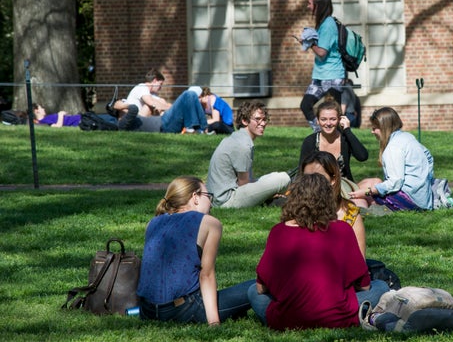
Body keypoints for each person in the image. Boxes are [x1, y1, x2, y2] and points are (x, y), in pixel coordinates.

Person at [247, 173, 389, 330]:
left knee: (253, 291)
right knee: (381, 287)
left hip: (287, 319)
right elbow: (364, 287)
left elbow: (261, 288)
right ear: (328, 200)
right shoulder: (342, 230)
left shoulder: (278, 231)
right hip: (337, 317)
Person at [136, 176, 254, 324]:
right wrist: (213, 322)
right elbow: (206, 275)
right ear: (195, 197)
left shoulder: (152, 223)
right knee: (256, 285)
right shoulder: (210, 223)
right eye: (207, 196)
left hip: (147, 312)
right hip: (184, 310)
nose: (211, 202)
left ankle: (238, 313)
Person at [206, 100, 292, 208]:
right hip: (225, 201)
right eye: (257, 119)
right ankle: (272, 200)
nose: (263, 123)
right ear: (245, 121)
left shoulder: (238, 137)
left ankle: (272, 199)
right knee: (283, 178)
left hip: (219, 196)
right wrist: (267, 193)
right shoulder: (243, 145)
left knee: (275, 176)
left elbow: (247, 180)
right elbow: (244, 185)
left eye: (265, 119)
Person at [349, 107, 434, 211]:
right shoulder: (407, 137)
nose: (372, 132)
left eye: (374, 128)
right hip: (422, 198)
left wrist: (366, 192)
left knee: (362, 195)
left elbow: (395, 182)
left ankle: (360, 212)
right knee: (373, 182)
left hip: (410, 200)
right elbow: (429, 157)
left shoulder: (393, 147)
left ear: (384, 128)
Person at [297, 0, 346, 132]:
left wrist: (309, 42)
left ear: (318, 5)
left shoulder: (328, 25)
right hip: (320, 75)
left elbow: (322, 53)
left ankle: (342, 142)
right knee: (306, 105)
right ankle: (320, 132)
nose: (308, 6)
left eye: (309, 3)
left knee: (334, 116)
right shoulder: (323, 24)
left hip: (332, 76)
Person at [301, 150, 366, 255]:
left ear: (333, 179)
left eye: (318, 178)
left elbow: (360, 262)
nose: (311, 183)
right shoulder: (296, 211)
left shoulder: (350, 214)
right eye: (306, 178)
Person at [299, 99, 368, 184]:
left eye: (333, 119)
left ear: (340, 119)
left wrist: (347, 130)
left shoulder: (345, 139)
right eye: (323, 119)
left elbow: (362, 157)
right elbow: (302, 170)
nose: (328, 123)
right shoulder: (310, 141)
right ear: (317, 120)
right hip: (317, 187)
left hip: (343, 186)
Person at [115, 88, 208, 133]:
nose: (124, 102)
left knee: (191, 95)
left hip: (164, 120)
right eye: (123, 103)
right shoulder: (122, 123)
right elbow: (133, 109)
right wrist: (121, 105)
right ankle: (194, 128)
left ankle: (203, 129)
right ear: (120, 110)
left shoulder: (128, 120)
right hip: (164, 125)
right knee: (188, 94)